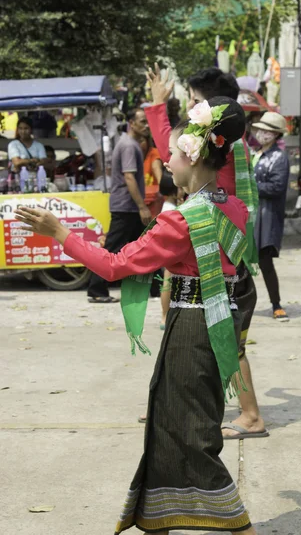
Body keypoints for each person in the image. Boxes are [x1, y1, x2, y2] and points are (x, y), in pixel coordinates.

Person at [15, 98, 257, 535]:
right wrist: (158, 107)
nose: (167, 159)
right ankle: (158, 520)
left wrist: (61, 233)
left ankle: (239, 526)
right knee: (170, 425)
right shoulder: (230, 206)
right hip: (216, 321)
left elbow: (113, 266)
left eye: (176, 154)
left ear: (196, 156)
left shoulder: (181, 221)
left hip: (191, 329)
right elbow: (186, 158)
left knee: (192, 435)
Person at [145, 64, 268, 440]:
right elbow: (175, 147)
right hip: (208, 247)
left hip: (221, 255)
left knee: (229, 341)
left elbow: (177, 146)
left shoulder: (221, 149)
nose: (192, 111)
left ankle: (250, 415)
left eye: (196, 103)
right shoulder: (223, 149)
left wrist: (158, 108)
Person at [87, 108, 151, 303]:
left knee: (144, 247)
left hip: (127, 205)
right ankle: (96, 289)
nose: (146, 126)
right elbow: (129, 177)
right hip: (126, 206)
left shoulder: (130, 143)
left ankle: (154, 289)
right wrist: (142, 206)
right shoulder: (129, 146)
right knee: (113, 248)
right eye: (142, 122)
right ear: (132, 123)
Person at [253, 112, 290, 322]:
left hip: (267, 217)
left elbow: (277, 187)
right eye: (260, 128)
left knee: (264, 259)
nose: (261, 133)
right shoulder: (256, 154)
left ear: (276, 134)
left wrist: (250, 187)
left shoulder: (279, 157)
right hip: (250, 215)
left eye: (266, 130)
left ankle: (276, 304)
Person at [158, 171, 179, 328]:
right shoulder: (171, 209)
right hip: (171, 249)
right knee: (168, 280)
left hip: (167, 248)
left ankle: (166, 315)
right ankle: (165, 316)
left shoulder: (168, 206)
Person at [140, 132, 164, 218]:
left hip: (155, 202)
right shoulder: (133, 155)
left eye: (141, 141)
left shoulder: (153, 153)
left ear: (147, 141)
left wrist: (163, 187)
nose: (138, 144)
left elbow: (156, 167)